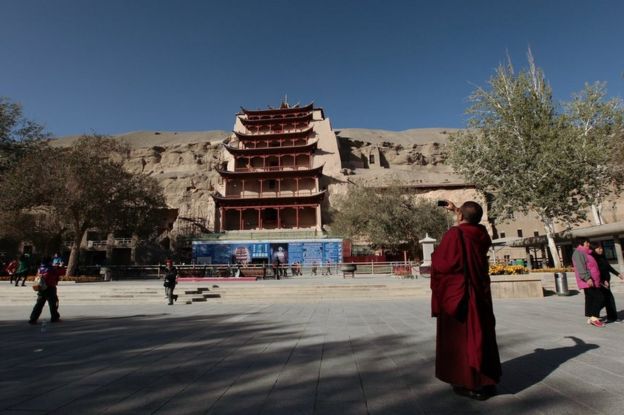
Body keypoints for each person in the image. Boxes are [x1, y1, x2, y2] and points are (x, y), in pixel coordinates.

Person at [430, 200, 501, 400]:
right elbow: (473, 227)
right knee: (483, 335)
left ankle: (471, 384)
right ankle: (488, 382)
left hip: (461, 296)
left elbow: (443, 264)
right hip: (480, 295)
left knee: (464, 339)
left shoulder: (455, 234)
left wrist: (455, 224)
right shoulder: (482, 234)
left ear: (461, 217)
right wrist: (458, 212)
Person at [571, 237, 605, 327]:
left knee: (591, 299)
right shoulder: (578, 253)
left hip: (593, 280)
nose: (588, 244)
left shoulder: (586, 253)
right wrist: (587, 278)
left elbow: (593, 267)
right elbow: (580, 267)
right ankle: (594, 318)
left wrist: (599, 280)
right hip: (588, 280)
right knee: (600, 298)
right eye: (586, 242)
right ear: (581, 243)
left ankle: (591, 317)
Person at [591, 243, 623, 323]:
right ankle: (594, 316)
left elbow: (608, 267)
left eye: (601, 248)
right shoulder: (594, 259)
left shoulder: (602, 257)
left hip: (606, 281)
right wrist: (603, 280)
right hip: (601, 282)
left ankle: (611, 317)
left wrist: (618, 274)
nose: (600, 250)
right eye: (598, 248)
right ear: (594, 250)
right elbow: (597, 271)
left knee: (608, 300)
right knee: (607, 300)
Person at [29, 257, 61, 324]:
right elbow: (57, 278)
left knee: (39, 304)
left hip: (41, 288)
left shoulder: (40, 269)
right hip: (51, 288)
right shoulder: (52, 269)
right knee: (53, 304)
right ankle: (54, 317)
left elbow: (37, 277)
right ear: (49, 262)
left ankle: (33, 318)